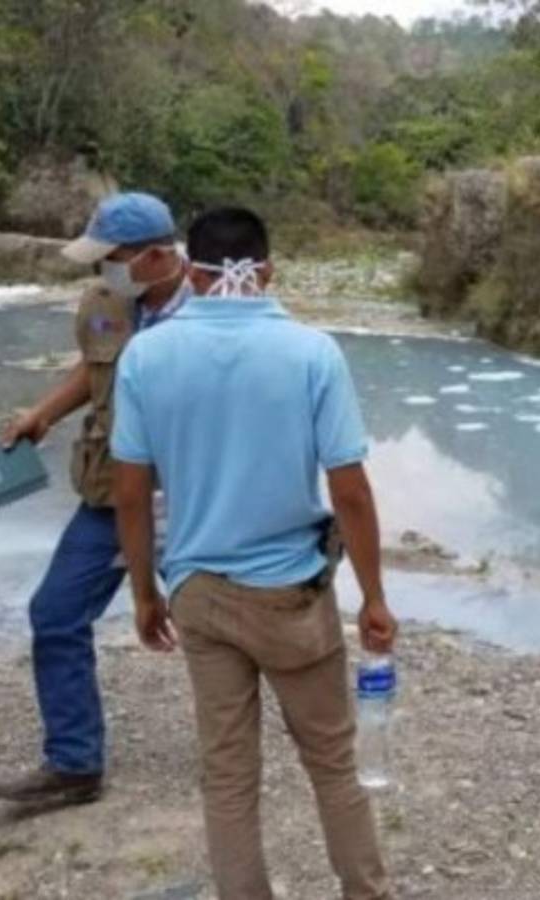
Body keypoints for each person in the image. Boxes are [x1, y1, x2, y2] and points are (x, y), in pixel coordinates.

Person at [110, 207, 397, 899]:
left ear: (191, 270)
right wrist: (373, 596)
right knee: (331, 761)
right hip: (290, 595)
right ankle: (365, 890)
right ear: (267, 269)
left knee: (229, 773)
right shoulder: (310, 352)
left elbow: (128, 490)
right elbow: (350, 490)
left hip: (200, 590)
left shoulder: (146, 355)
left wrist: (145, 592)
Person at [0, 192, 189, 805]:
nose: (101, 271)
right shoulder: (110, 301)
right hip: (112, 495)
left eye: (112, 258)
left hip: (194, 502)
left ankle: (312, 744)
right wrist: (42, 414)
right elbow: (94, 366)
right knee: (55, 614)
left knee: (233, 626)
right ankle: (75, 763)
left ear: (156, 256)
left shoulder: (216, 310)